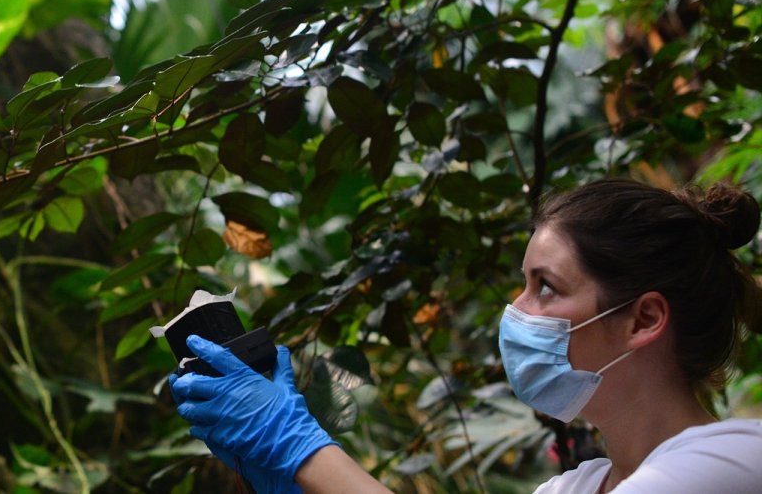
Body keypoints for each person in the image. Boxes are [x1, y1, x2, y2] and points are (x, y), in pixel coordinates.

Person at [170, 180, 762, 493]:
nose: (518, 310)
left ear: (643, 320)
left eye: (546, 287)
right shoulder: (574, 488)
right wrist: (293, 481)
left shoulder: (730, 463)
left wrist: (300, 448)